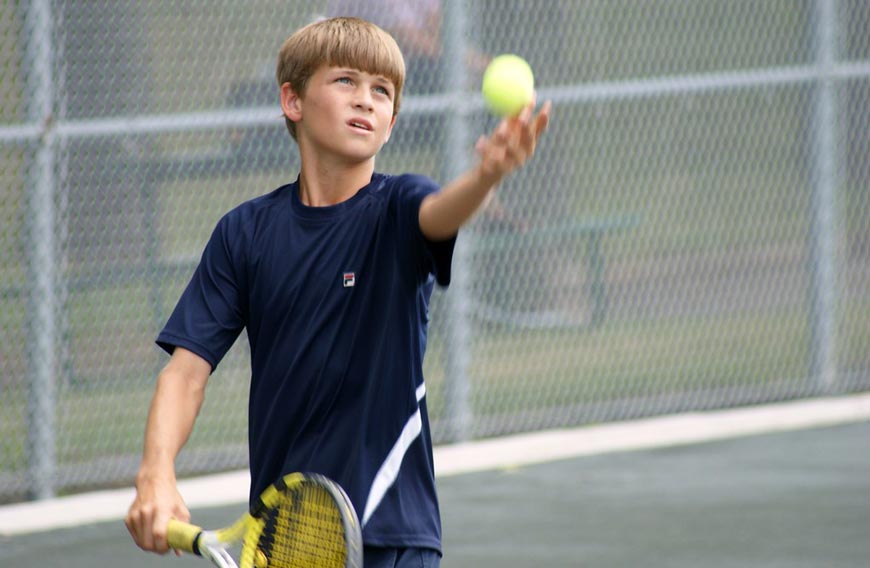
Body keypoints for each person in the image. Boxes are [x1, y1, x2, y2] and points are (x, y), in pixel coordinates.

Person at [125, 17, 550, 567]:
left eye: (382, 91)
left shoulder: (397, 208)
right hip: (284, 540)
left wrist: (487, 175)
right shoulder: (243, 233)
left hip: (393, 538)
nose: (366, 100)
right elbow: (185, 374)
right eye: (346, 81)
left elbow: (439, 214)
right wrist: (155, 475)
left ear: (392, 122)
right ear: (293, 100)